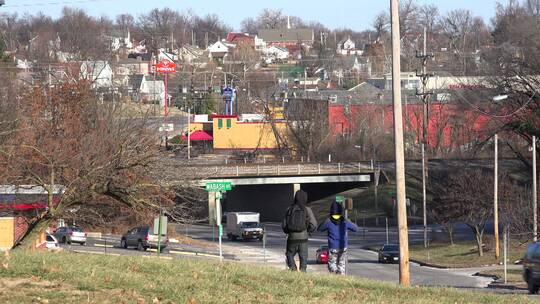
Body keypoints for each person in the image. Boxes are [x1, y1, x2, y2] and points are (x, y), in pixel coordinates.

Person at [318, 200, 358, 275]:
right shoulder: (345, 222)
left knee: (332, 264)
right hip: (343, 247)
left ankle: (335, 273)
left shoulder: (328, 222)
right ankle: (341, 275)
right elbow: (356, 228)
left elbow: (319, 228)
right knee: (342, 264)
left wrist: (326, 220)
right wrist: (348, 220)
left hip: (333, 247)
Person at [282, 189, 317, 272]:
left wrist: (288, 231)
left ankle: (293, 270)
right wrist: (308, 231)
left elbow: (284, 225)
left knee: (289, 254)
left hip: (292, 238)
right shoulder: (307, 210)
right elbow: (314, 224)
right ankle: (303, 272)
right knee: (303, 257)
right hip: (303, 237)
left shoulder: (289, 209)